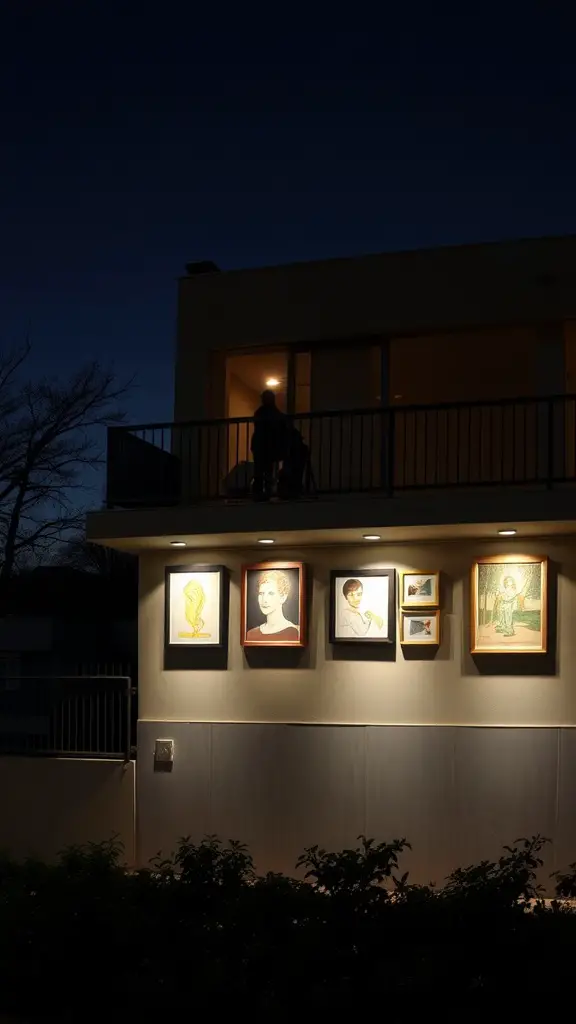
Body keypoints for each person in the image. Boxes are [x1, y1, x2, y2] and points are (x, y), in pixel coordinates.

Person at [251, 390, 288, 500]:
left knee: (265, 471)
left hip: (266, 447)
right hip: (263, 447)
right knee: (262, 471)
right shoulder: (264, 412)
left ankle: (263, 493)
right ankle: (261, 493)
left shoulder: (265, 412)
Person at [245, 569, 299, 641]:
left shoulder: (294, 632)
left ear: (283, 597)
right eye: (261, 593)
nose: (264, 599)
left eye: (271, 594)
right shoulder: (251, 634)